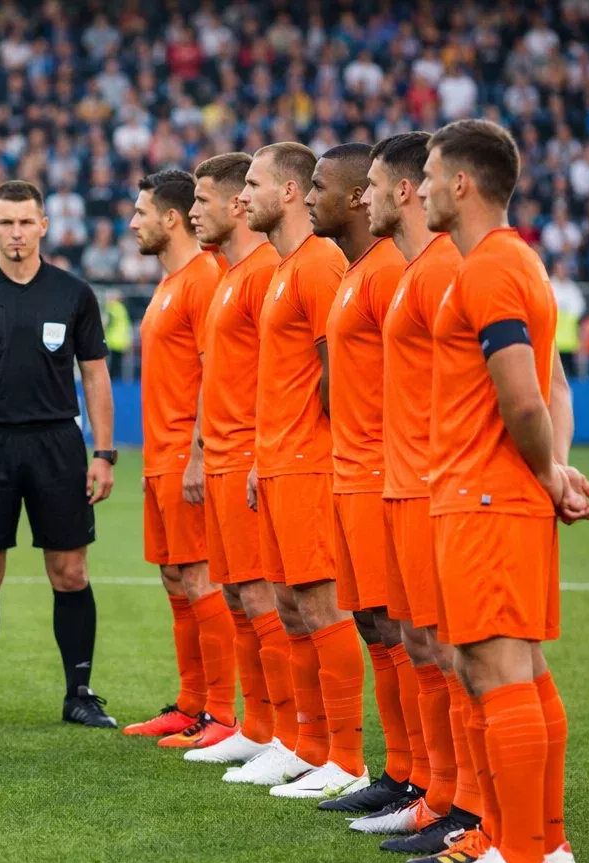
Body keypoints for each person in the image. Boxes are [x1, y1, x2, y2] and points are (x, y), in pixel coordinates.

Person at [413, 118, 589, 863]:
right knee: (520, 670)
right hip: (499, 493)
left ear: (462, 183)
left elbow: (524, 394)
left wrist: (547, 470)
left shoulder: (489, 268)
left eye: (427, 173)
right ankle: (544, 845)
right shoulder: (514, 261)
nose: (420, 188)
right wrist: (551, 472)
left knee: (494, 672)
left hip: (485, 494)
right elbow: (552, 387)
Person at [0, 178, 117, 729]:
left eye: (25, 222)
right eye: (5, 222)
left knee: (70, 570)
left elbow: (96, 376)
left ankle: (79, 693)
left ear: (44, 225)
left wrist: (103, 452)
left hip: (58, 442)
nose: (16, 233)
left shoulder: (73, 292)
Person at [356, 131, 486, 863]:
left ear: (406, 190)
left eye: (373, 186)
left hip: (442, 488)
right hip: (406, 485)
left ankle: (466, 805)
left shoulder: (443, 268)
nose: (362, 199)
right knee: (420, 642)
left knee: (461, 654)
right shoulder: (415, 268)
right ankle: (435, 793)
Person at [237, 142, 362, 797]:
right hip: (280, 462)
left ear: (288, 192)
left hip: (312, 463)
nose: (242, 197)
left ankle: (344, 755)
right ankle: (306, 745)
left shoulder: (318, 265)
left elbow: (336, 370)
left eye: (252, 184)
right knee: (289, 606)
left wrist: (312, 442)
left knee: (320, 605)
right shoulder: (287, 266)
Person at [305, 143, 409, 805]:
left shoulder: (390, 269)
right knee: (375, 622)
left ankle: (425, 780)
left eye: (320, 186)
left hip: (383, 474)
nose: (311, 196)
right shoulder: (356, 271)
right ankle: (402, 772)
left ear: (357, 198)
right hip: (353, 468)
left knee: (404, 631)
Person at [181, 152, 288, 773]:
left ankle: (290, 738)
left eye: (202, 200)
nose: (193, 211)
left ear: (235, 206)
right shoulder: (228, 275)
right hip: (222, 456)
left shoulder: (267, 270)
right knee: (240, 598)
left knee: (266, 597)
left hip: (252, 454)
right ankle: (260, 726)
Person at [122, 169, 233, 746]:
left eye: (141, 213)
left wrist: (198, 454)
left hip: (186, 456)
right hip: (157, 457)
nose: (133, 222)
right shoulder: (169, 284)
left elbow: (218, 371)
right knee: (175, 577)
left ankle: (220, 713)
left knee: (200, 577)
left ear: (171, 218)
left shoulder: (203, 278)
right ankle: (191, 704)